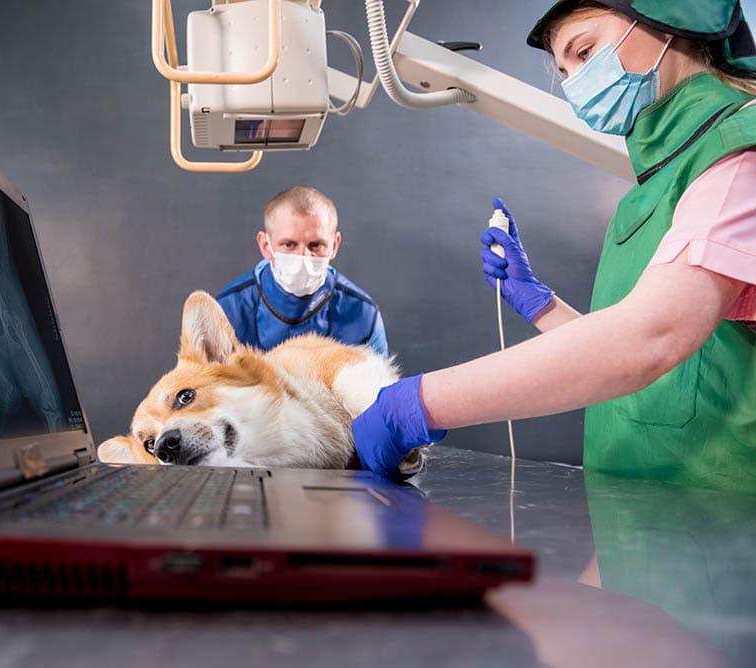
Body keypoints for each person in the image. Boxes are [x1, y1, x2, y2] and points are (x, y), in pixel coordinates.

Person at [353, 0, 756, 494]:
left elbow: (652, 338)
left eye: (585, 51)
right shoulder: (658, 184)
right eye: (566, 71)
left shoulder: (739, 156)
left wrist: (418, 403)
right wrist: (542, 305)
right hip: (643, 517)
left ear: (669, 17)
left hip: (723, 524)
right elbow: (657, 369)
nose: (578, 84)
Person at [216, 186, 389, 355]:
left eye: (315, 245)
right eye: (288, 244)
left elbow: (380, 383)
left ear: (334, 245)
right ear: (265, 245)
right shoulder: (227, 312)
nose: (303, 257)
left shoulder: (362, 315)